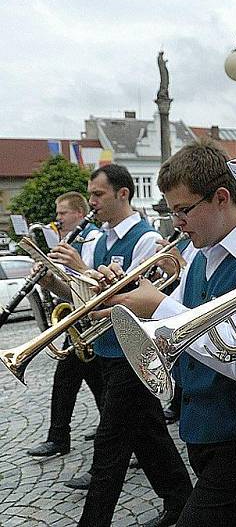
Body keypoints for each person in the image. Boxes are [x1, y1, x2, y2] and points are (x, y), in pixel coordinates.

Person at [95, 139, 236, 526]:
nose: (176, 222)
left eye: (183, 210)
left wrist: (157, 305)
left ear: (221, 198)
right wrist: (125, 296)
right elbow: (165, 324)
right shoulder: (198, 253)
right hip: (209, 425)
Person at [41, 164, 192, 527]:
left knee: (109, 444)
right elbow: (87, 300)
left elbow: (133, 296)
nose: (92, 202)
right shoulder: (100, 239)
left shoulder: (142, 238)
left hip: (133, 351)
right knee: (148, 434)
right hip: (107, 351)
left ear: (122, 194)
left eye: (98, 194)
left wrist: (79, 266)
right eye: (90, 195)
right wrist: (55, 281)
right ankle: (181, 500)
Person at [26, 192, 105, 459]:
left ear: (79, 214)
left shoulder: (93, 239)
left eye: (62, 213)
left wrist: (72, 268)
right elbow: (70, 290)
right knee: (73, 381)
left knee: (93, 384)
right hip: (78, 322)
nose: (57, 219)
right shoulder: (70, 241)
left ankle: (64, 437)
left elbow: (94, 284)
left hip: (92, 322)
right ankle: (61, 436)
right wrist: (48, 279)